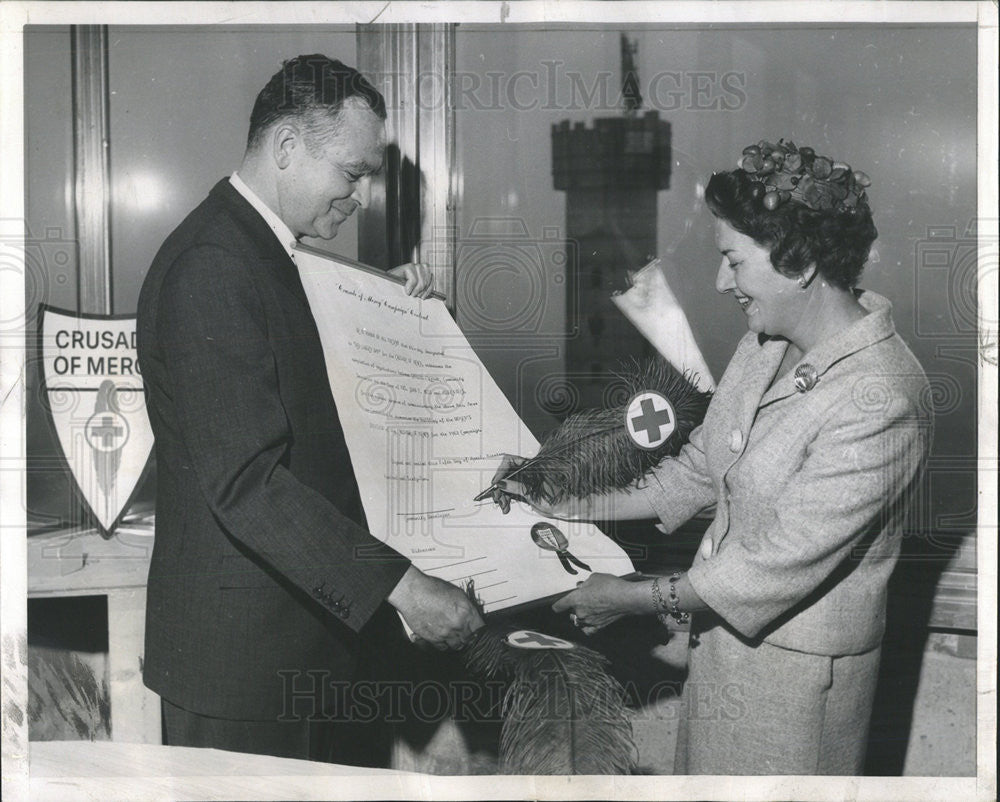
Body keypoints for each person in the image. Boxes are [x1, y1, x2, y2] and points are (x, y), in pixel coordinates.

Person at [491, 139, 932, 775]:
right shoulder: (767, 343)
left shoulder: (881, 395)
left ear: (799, 260)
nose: (723, 282)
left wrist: (630, 599)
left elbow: (772, 565)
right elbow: (694, 473)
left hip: (797, 688)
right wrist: (559, 499)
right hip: (724, 651)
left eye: (733, 260)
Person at [137, 54, 482, 762]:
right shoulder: (216, 264)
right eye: (353, 172)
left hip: (289, 656)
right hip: (244, 675)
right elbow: (248, 483)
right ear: (288, 148)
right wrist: (406, 587)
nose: (359, 195)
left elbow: (312, 412)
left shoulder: (266, 255)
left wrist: (393, 313)